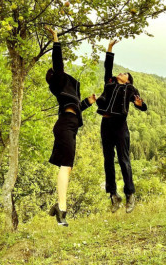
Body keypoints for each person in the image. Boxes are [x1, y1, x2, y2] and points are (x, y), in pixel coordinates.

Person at [44, 26, 96, 227]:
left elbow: (75, 108)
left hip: (70, 125)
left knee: (67, 167)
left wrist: (88, 102)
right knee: (66, 167)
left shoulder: (68, 92)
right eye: (58, 72)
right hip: (65, 125)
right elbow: (58, 64)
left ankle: (60, 206)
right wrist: (56, 39)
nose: (63, 72)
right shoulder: (58, 82)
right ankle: (62, 210)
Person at [96, 39, 147, 213]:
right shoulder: (109, 83)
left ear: (127, 80)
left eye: (125, 73)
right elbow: (107, 67)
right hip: (106, 124)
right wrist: (109, 48)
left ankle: (130, 195)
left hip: (120, 126)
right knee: (108, 161)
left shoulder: (130, 89)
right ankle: (113, 195)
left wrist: (140, 104)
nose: (122, 73)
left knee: (124, 160)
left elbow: (142, 105)